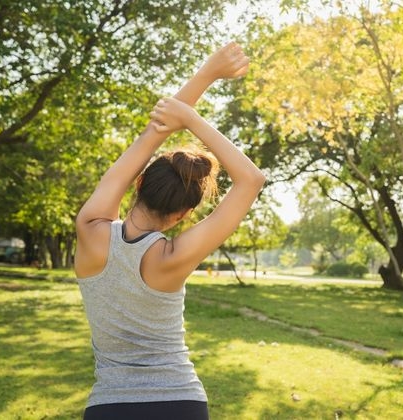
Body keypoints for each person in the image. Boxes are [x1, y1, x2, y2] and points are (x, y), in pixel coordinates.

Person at [75, 42, 266, 420]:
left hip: (109, 407)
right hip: (181, 403)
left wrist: (206, 75)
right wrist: (193, 120)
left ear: (139, 180)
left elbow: (152, 136)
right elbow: (251, 179)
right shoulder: (173, 258)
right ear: (182, 215)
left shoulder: (90, 229)